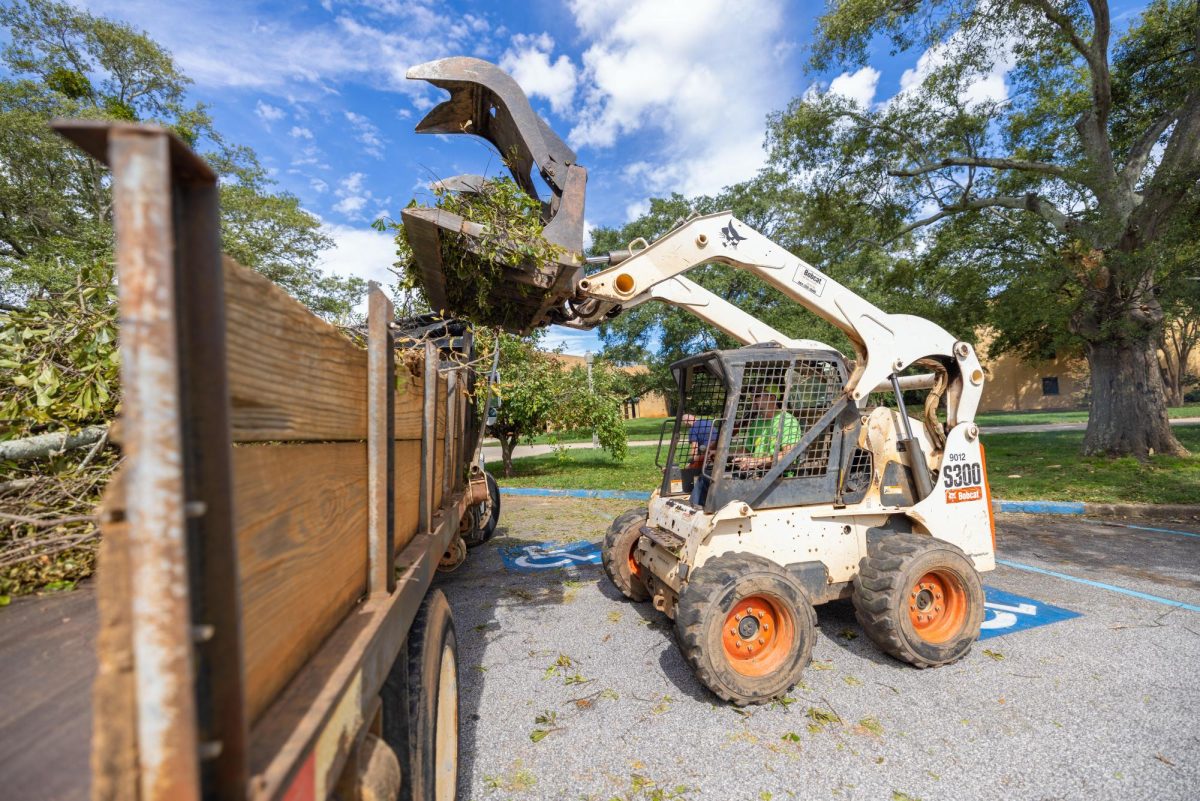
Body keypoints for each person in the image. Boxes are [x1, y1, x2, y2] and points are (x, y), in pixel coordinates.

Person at [732, 392, 803, 472]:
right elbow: (747, 450)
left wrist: (757, 461)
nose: (753, 399)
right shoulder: (757, 423)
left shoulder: (787, 421)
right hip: (755, 471)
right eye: (752, 396)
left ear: (772, 398)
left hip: (777, 475)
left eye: (757, 395)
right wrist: (724, 456)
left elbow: (789, 454)